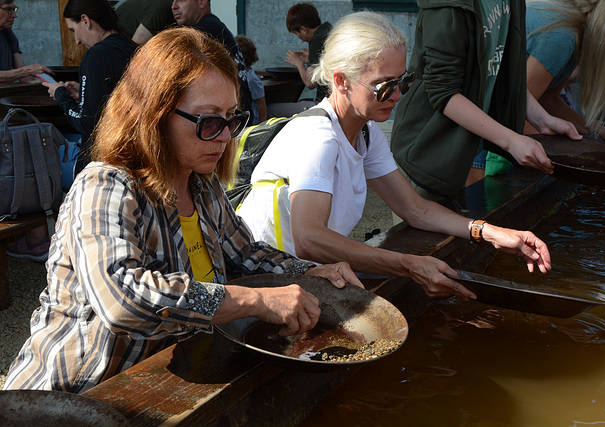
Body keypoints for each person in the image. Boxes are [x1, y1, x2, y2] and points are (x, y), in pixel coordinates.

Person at [2, 27, 361, 393]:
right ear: (153, 115)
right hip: (77, 395)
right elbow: (123, 301)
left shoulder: (200, 184)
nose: (225, 136)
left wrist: (311, 271)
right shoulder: (105, 186)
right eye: (209, 121)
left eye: (232, 118)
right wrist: (254, 299)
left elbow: (246, 254)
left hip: (161, 382)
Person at [237, 11, 552, 300]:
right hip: (263, 281)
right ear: (341, 81)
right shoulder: (318, 138)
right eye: (384, 87)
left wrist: (488, 232)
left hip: (305, 275)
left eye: (403, 81)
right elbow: (309, 237)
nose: (398, 96)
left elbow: (414, 208)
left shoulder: (364, 130)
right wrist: (408, 264)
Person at [390, 0, 582, 204]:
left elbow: (499, 72)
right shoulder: (448, 5)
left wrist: (542, 119)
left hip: (464, 154)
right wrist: (511, 141)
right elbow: (443, 92)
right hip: (427, 152)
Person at [525, 0, 605, 150]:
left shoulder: (580, 39)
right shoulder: (563, 35)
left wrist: (596, 130)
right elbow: (515, 108)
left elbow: (548, 99)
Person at [41, 0, 136, 175]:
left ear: (85, 20)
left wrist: (61, 94)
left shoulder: (96, 56)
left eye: (73, 31)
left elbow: (86, 122)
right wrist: (84, 92)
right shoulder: (132, 48)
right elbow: (115, 98)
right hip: (134, 156)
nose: (76, 41)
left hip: (101, 164)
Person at [172, 0, 253, 118]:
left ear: (202, 2)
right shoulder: (215, 26)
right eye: (172, 1)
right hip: (238, 118)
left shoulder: (201, 33)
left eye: (181, 0)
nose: (174, 6)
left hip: (230, 121)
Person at [267, 2, 332, 118]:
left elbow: (310, 82)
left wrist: (298, 62)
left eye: (296, 33)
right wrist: (310, 59)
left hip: (325, 104)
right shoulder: (328, 30)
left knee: (269, 110)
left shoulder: (317, 39)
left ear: (303, 29)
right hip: (333, 101)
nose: (300, 38)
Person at [0, 0, 52, 83]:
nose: (14, 15)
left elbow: (22, 71)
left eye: (14, 10)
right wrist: (27, 71)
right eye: (8, 10)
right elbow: (24, 71)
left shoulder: (8, 33)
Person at [236, 34, 266, 125]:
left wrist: (261, 125)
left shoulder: (251, 79)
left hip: (252, 123)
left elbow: (261, 103)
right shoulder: (240, 74)